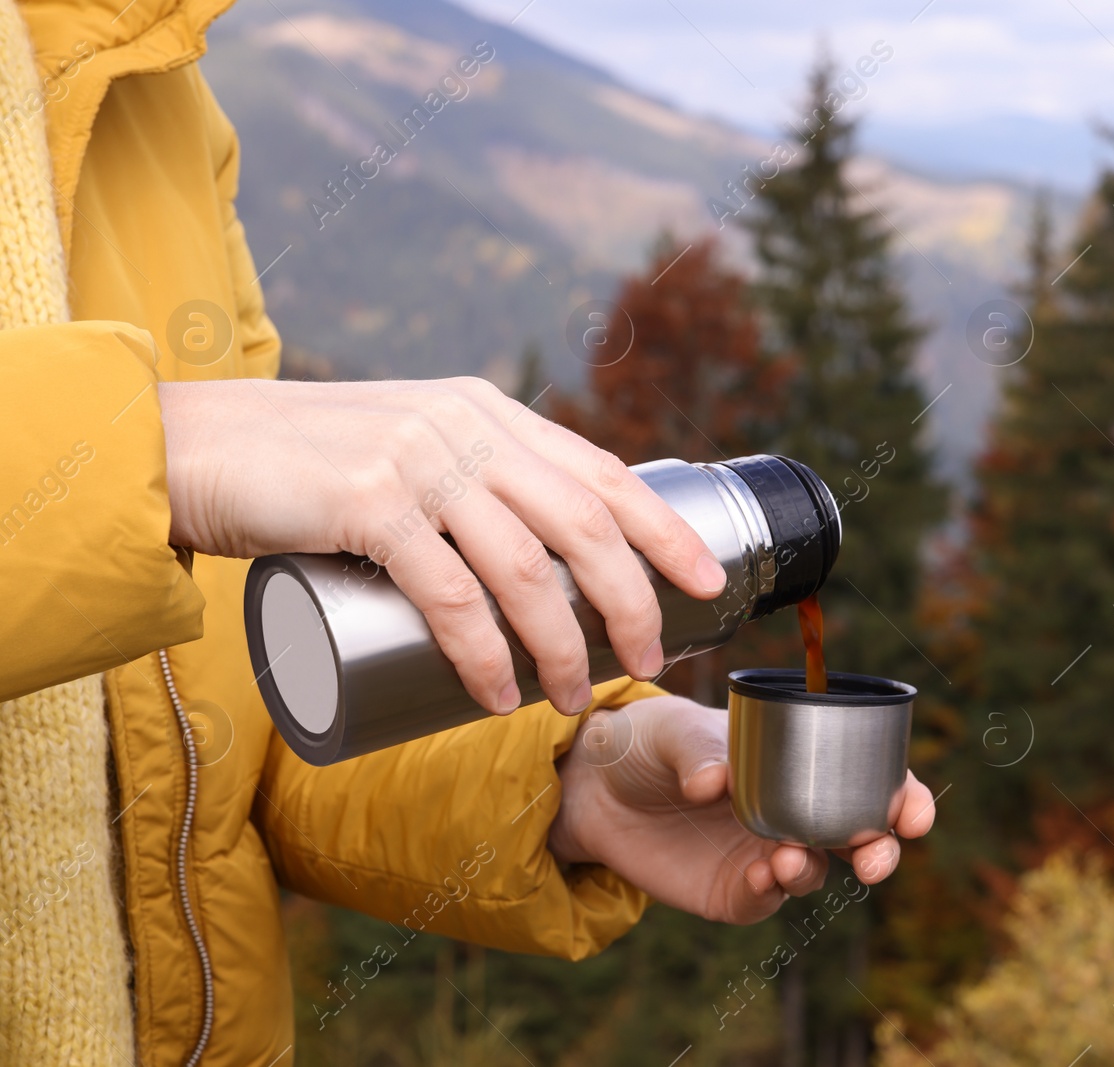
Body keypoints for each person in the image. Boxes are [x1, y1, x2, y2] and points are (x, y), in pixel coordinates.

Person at [0, 0, 935, 1062]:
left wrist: (572, 775)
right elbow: (150, 499)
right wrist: (152, 452)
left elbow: (220, 711)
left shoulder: (139, 60)